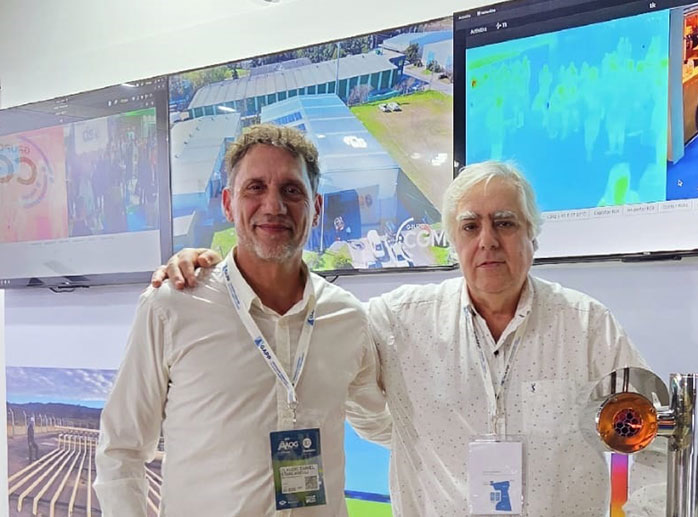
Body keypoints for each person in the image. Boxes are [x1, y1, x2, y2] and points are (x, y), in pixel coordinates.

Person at [156, 161, 665, 516]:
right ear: (453, 240)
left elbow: (659, 444)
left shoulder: (588, 326)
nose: (487, 241)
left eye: (505, 223)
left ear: (533, 234)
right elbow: (303, 319)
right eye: (470, 226)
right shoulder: (399, 320)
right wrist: (218, 273)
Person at [94, 124, 390, 516]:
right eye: (255, 188)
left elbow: (379, 421)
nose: (274, 205)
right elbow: (121, 448)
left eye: (292, 190)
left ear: (316, 207)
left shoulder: (347, 317)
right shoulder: (173, 305)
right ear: (228, 203)